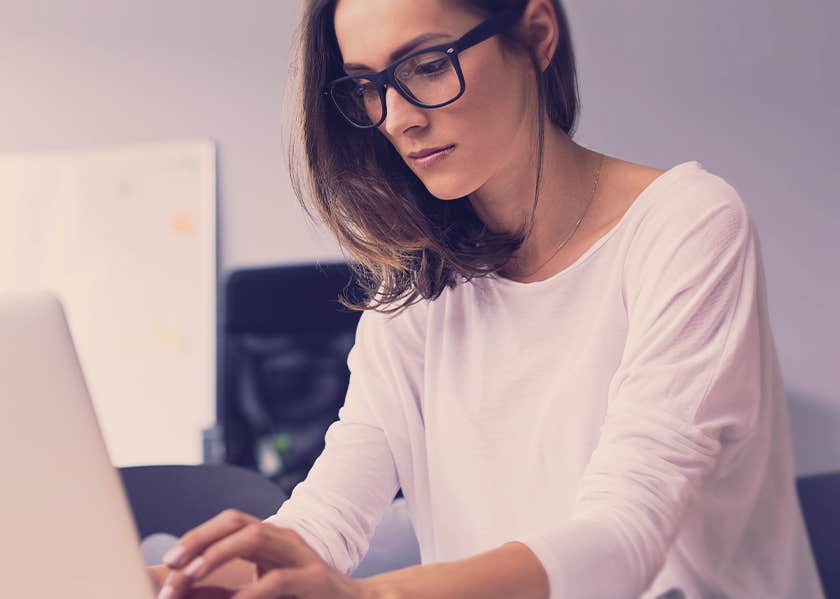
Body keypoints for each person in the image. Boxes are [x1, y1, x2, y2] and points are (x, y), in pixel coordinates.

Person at [150, 0, 824, 597]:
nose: (398, 120)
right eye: (367, 88)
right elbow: (324, 520)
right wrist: (166, 580)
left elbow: (625, 537)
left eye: (428, 65)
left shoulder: (688, 224)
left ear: (535, 36)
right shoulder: (417, 283)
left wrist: (369, 596)